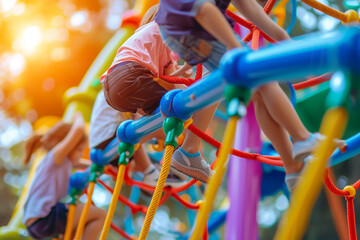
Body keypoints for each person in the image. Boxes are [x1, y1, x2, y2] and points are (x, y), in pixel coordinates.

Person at [155, 0, 345, 190]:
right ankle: (302, 139)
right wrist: (236, 50)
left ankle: (293, 165)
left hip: (182, 26)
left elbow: (258, 15)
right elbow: (204, 9)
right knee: (258, 75)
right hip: (194, 17)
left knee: (259, 88)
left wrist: (294, 49)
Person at [101, 4, 215, 184]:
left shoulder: (146, 40)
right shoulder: (166, 28)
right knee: (194, 99)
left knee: (168, 112)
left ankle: (169, 158)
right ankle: (187, 153)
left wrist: (182, 72)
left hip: (113, 87)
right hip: (131, 78)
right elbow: (173, 85)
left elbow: (168, 78)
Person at [22, 113, 106, 240]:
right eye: (79, 150)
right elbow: (78, 130)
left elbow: (81, 163)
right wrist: (78, 117)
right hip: (45, 217)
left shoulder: (61, 162)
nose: (81, 154)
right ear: (68, 145)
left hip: (34, 225)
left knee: (77, 227)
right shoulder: (56, 155)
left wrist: (102, 166)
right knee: (100, 214)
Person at [89, 90, 187, 187]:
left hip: (100, 145)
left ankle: (152, 171)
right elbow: (137, 114)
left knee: (136, 135)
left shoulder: (105, 90)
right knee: (151, 126)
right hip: (111, 137)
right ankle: (173, 160)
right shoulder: (119, 88)